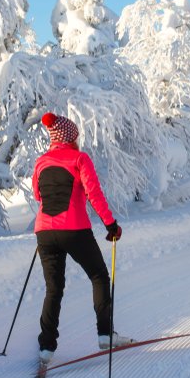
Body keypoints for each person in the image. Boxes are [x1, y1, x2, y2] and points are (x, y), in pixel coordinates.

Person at [32, 112, 132, 364]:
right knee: (98, 276)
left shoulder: (41, 162)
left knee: (53, 288)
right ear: (71, 137)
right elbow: (94, 194)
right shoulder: (79, 158)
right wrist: (111, 225)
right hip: (74, 229)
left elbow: (37, 195)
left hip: (44, 232)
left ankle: (46, 348)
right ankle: (105, 334)